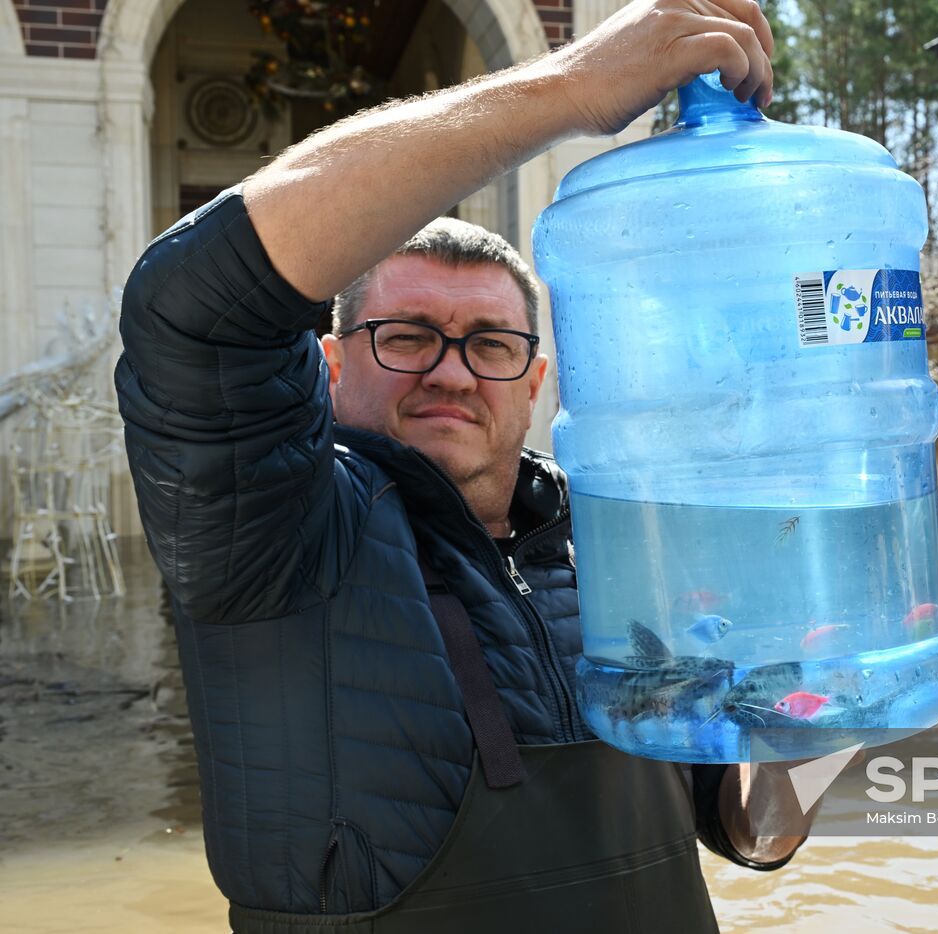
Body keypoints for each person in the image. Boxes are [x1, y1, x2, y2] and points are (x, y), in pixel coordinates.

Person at [115, 1, 824, 931]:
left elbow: (750, 831)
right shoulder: (277, 533)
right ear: (329, 368)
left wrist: (820, 708)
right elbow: (189, 306)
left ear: (533, 383)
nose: (451, 372)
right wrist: (571, 88)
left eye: (489, 344)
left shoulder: (621, 548)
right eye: (406, 335)